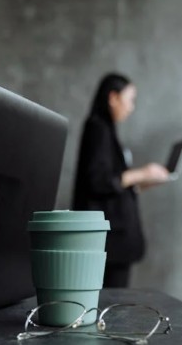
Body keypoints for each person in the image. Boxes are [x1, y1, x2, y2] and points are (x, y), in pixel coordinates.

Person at [72, 74, 170, 288]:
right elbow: (99, 181)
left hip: (114, 240)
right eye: (130, 99)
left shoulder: (106, 130)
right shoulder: (97, 127)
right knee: (110, 302)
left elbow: (113, 184)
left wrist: (141, 184)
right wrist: (143, 173)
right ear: (113, 98)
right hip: (109, 240)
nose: (131, 107)